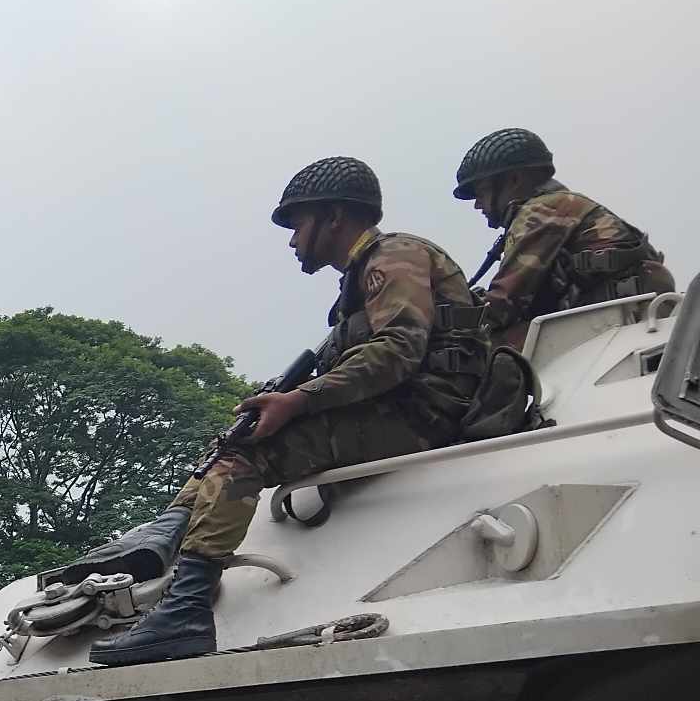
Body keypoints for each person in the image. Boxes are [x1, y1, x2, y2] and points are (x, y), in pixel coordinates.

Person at [91, 157, 489, 667]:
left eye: (298, 223)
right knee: (231, 444)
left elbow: (398, 350)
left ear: (336, 217)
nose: (292, 239)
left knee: (245, 460)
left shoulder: (397, 257)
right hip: (401, 409)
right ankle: (164, 534)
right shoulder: (361, 282)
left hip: (424, 415)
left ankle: (185, 612)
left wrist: (299, 400)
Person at [453, 128, 676, 350]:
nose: (477, 204)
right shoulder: (558, 208)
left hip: (620, 318)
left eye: (481, 192)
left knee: (482, 352)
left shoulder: (542, 211)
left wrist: (446, 323)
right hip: (623, 315)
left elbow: (504, 304)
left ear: (514, 180)